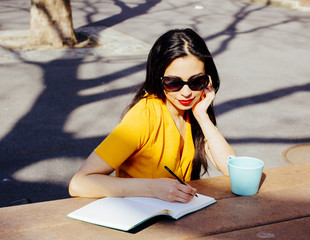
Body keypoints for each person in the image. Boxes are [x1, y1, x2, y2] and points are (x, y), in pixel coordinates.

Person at [69, 28, 235, 203]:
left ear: (207, 79)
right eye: (173, 83)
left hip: (179, 218)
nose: (186, 93)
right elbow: (79, 183)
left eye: (196, 81)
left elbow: (232, 171)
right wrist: (153, 188)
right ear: (158, 78)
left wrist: (202, 116)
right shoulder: (144, 117)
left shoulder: (193, 112)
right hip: (138, 219)